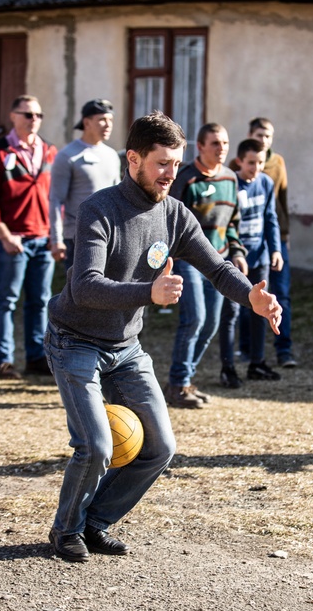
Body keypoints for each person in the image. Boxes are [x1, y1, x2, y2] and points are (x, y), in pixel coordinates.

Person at [44, 110, 281, 562]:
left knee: (160, 447)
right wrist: (148, 292)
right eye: (161, 163)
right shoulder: (99, 209)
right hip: (74, 339)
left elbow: (216, 266)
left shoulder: (174, 214)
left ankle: (95, 522)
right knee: (94, 446)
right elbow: (84, 286)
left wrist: (251, 297)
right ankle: (66, 530)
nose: (171, 173)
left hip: (125, 348)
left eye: (176, 163)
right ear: (133, 159)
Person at [0, 94, 57, 380]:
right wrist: (4, 235)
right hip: (12, 240)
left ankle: (36, 357)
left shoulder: (49, 151)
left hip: (42, 239)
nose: (34, 120)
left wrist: (54, 233)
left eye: (38, 115)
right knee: (7, 300)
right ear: (13, 116)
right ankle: (4, 361)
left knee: (40, 301)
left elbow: (55, 196)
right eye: (28, 115)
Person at [165, 123, 244, 408]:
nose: (221, 148)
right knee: (194, 319)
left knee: (211, 323)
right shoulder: (185, 178)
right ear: (200, 146)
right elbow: (169, 221)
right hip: (187, 261)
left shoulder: (231, 178)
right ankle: (176, 385)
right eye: (215, 143)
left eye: (224, 142)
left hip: (219, 261)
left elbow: (233, 222)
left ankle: (185, 380)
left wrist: (237, 252)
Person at [231, 118, 297, 368]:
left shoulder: (276, 164)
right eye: (260, 135)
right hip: (242, 248)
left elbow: (279, 204)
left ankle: (283, 350)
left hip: (269, 243)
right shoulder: (235, 169)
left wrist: (282, 240)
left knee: (280, 295)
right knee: (246, 300)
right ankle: (246, 350)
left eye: (268, 136)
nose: (264, 140)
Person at [218, 139, 284, 388]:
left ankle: (257, 362)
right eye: (251, 163)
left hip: (260, 258)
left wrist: (275, 249)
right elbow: (226, 223)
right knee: (231, 313)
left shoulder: (266, 182)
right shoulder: (230, 184)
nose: (256, 168)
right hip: (235, 261)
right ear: (240, 162)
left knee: (262, 311)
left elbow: (270, 217)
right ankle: (228, 367)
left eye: (260, 163)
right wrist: (235, 253)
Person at [49, 98, 121, 271]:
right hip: (78, 237)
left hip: (108, 236)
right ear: (86, 122)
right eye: (102, 120)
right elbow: (56, 200)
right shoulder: (67, 156)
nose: (108, 125)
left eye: (110, 120)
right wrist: (56, 239)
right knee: (80, 294)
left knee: (107, 293)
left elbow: (118, 198)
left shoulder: (112, 155)